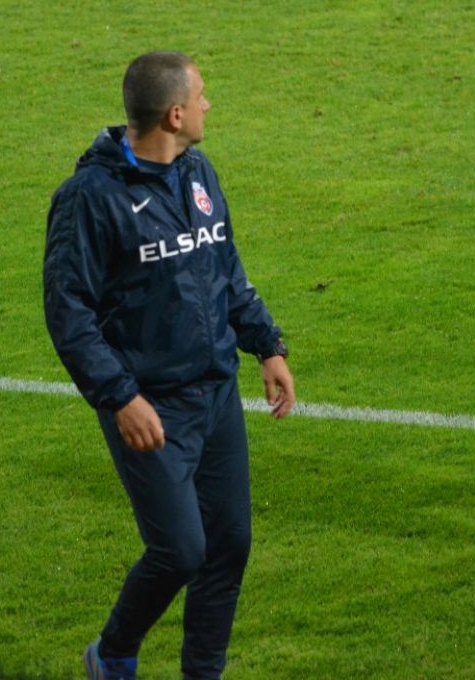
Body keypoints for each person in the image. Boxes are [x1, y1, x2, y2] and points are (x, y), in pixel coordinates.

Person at [43, 51, 295, 678]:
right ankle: (113, 654)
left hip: (216, 395)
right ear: (175, 114)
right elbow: (68, 312)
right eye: (201, 95)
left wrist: (266, 344)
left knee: (228, 545)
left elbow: (224, 267)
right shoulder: (89, 198)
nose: (209, 104)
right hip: (151, 406)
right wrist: (120, 397)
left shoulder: (197, 171)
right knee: (180, 550)